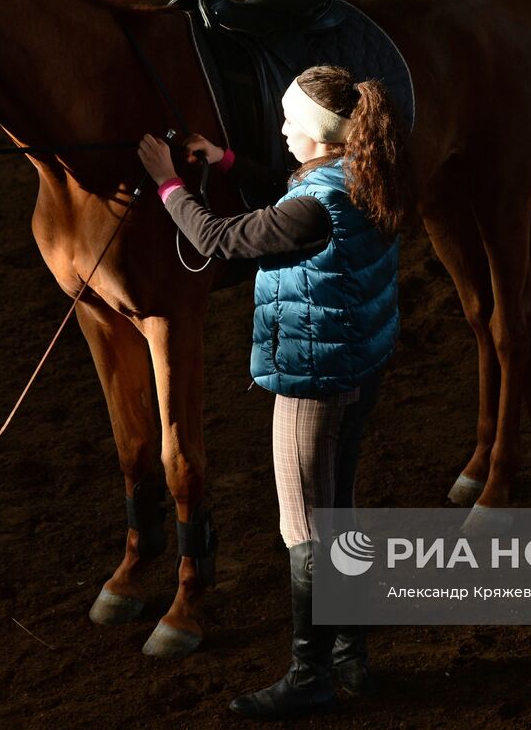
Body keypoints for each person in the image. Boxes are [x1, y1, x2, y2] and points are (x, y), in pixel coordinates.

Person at [138, 64, 411, 719]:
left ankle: (310, 675)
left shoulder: (314, 206)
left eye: (291, 123)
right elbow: (289, 191)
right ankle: (350, 658)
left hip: (315, 379)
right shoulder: (361, 171)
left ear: (319, 136)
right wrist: (225, 160)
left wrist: (169, 183)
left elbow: (219, 239)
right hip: (359, 367)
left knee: (305, 529)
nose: (282, 131)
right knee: (338, 513)